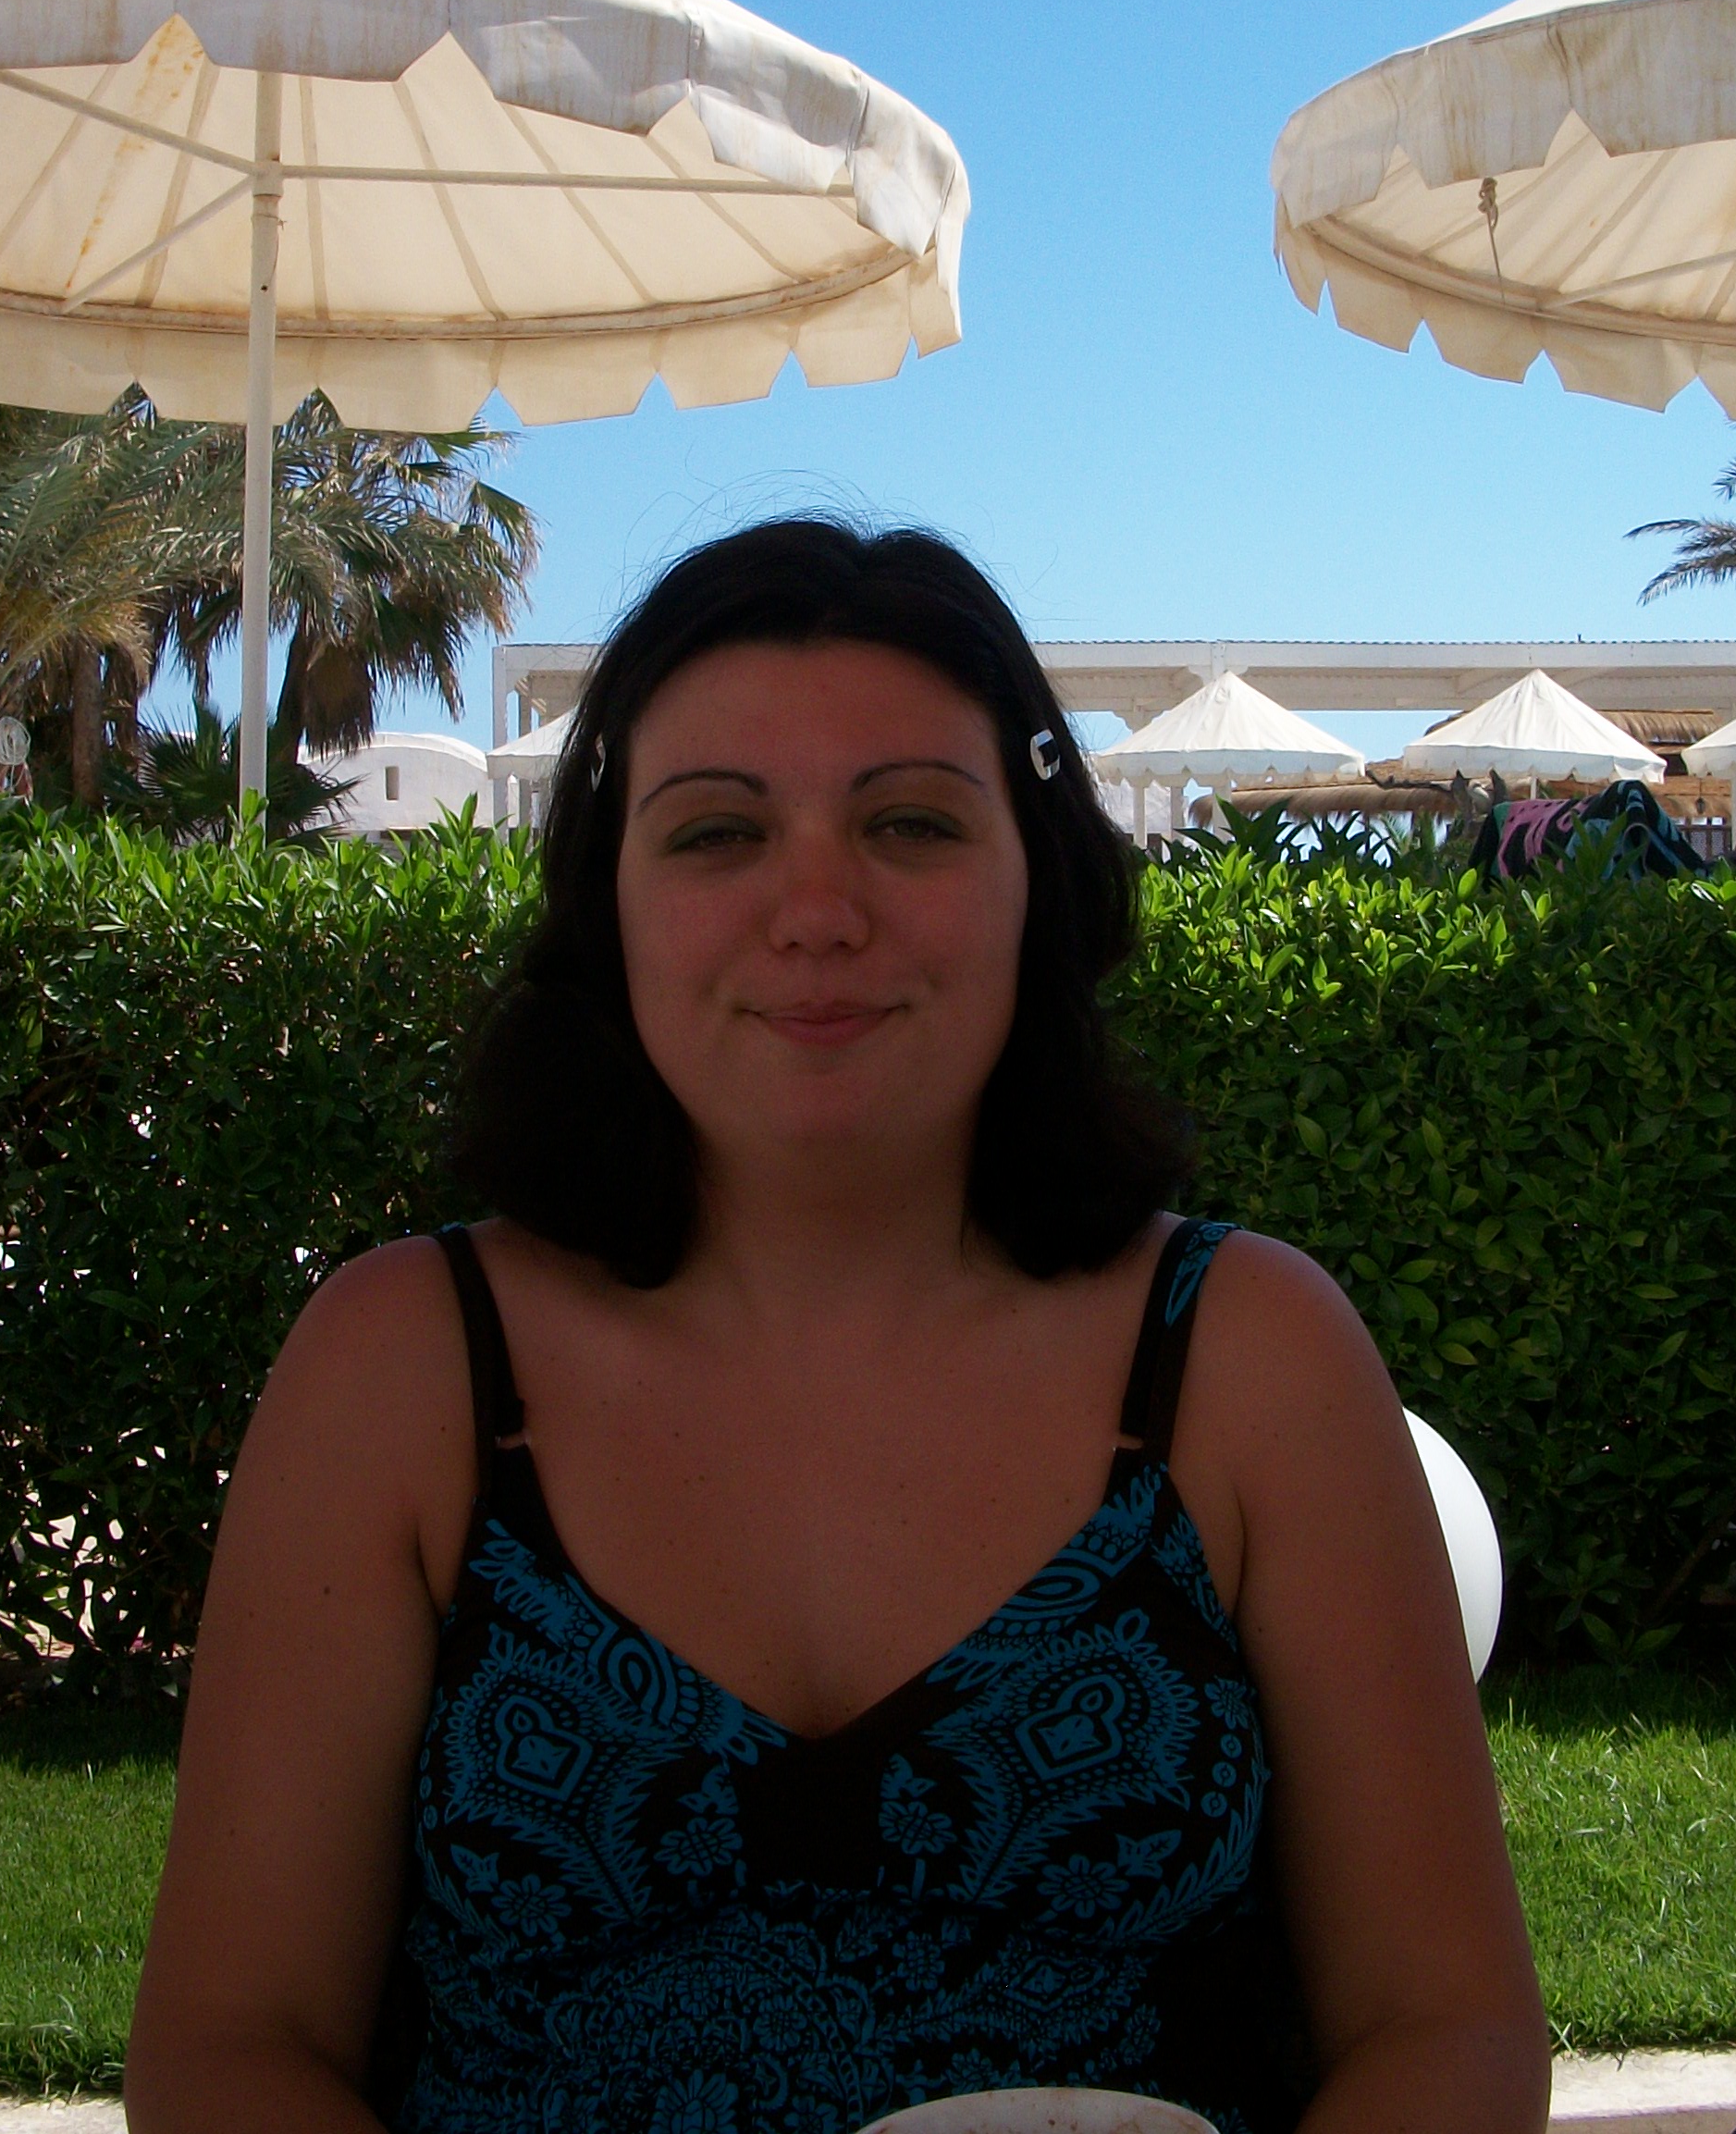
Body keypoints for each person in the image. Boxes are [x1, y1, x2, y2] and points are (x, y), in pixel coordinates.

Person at [126, 520, 1546, 2134]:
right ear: (609, 906)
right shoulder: (403, 1369)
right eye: (718, 832)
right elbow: (231, 2050)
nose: (815, 910)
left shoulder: (1248, 1358)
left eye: (912, 823)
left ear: (1038, 883)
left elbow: (1449, 2031)